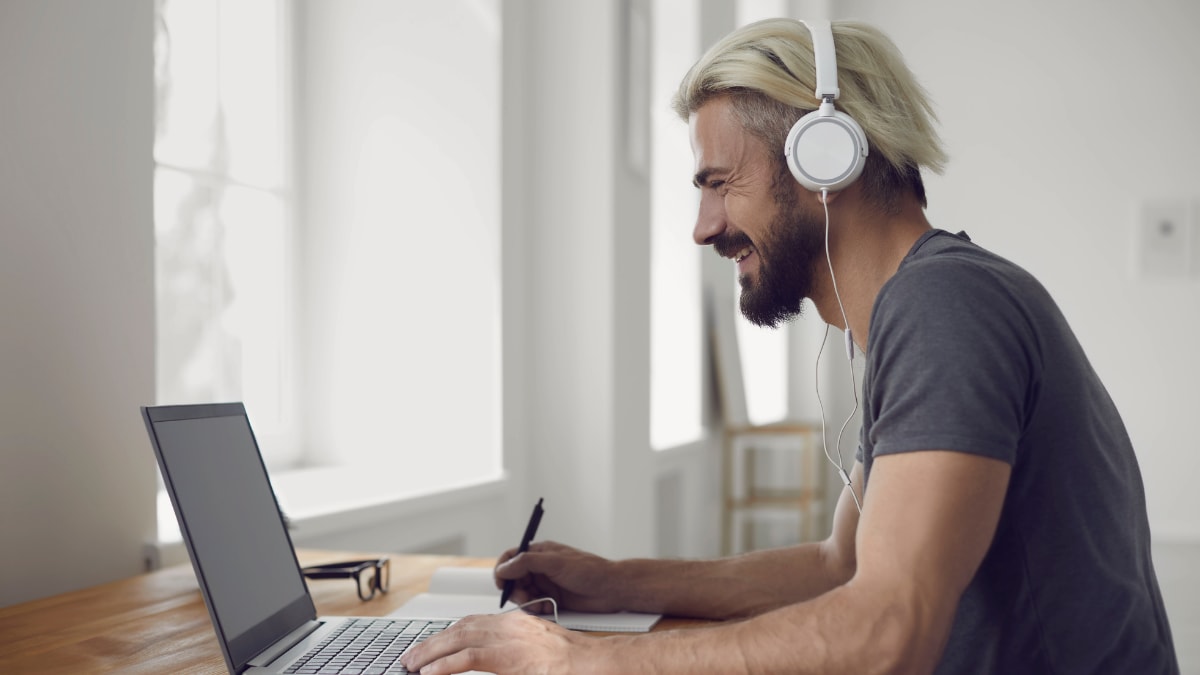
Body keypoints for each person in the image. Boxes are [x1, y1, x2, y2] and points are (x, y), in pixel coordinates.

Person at [401, 17, 1178, 675]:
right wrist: (613, 582)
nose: (703, 226)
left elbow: (889, 627)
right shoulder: (926, 303)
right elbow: (839, 563)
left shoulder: (948, 308)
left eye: (719, 182)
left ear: (824, 158)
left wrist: (580, 657)